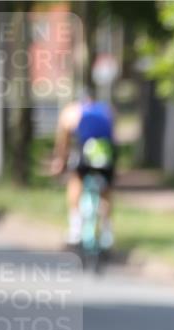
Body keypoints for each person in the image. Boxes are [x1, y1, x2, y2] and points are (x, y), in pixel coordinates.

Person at [49, 89, 116, 250]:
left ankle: (76, 228)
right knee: (105, 189)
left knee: (75, 181)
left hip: (85, 154)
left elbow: (63, 142)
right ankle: (107, 231)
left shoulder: (71, 111)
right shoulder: (107, 110)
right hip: (106, 152)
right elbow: (113, 136)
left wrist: (60, 161)